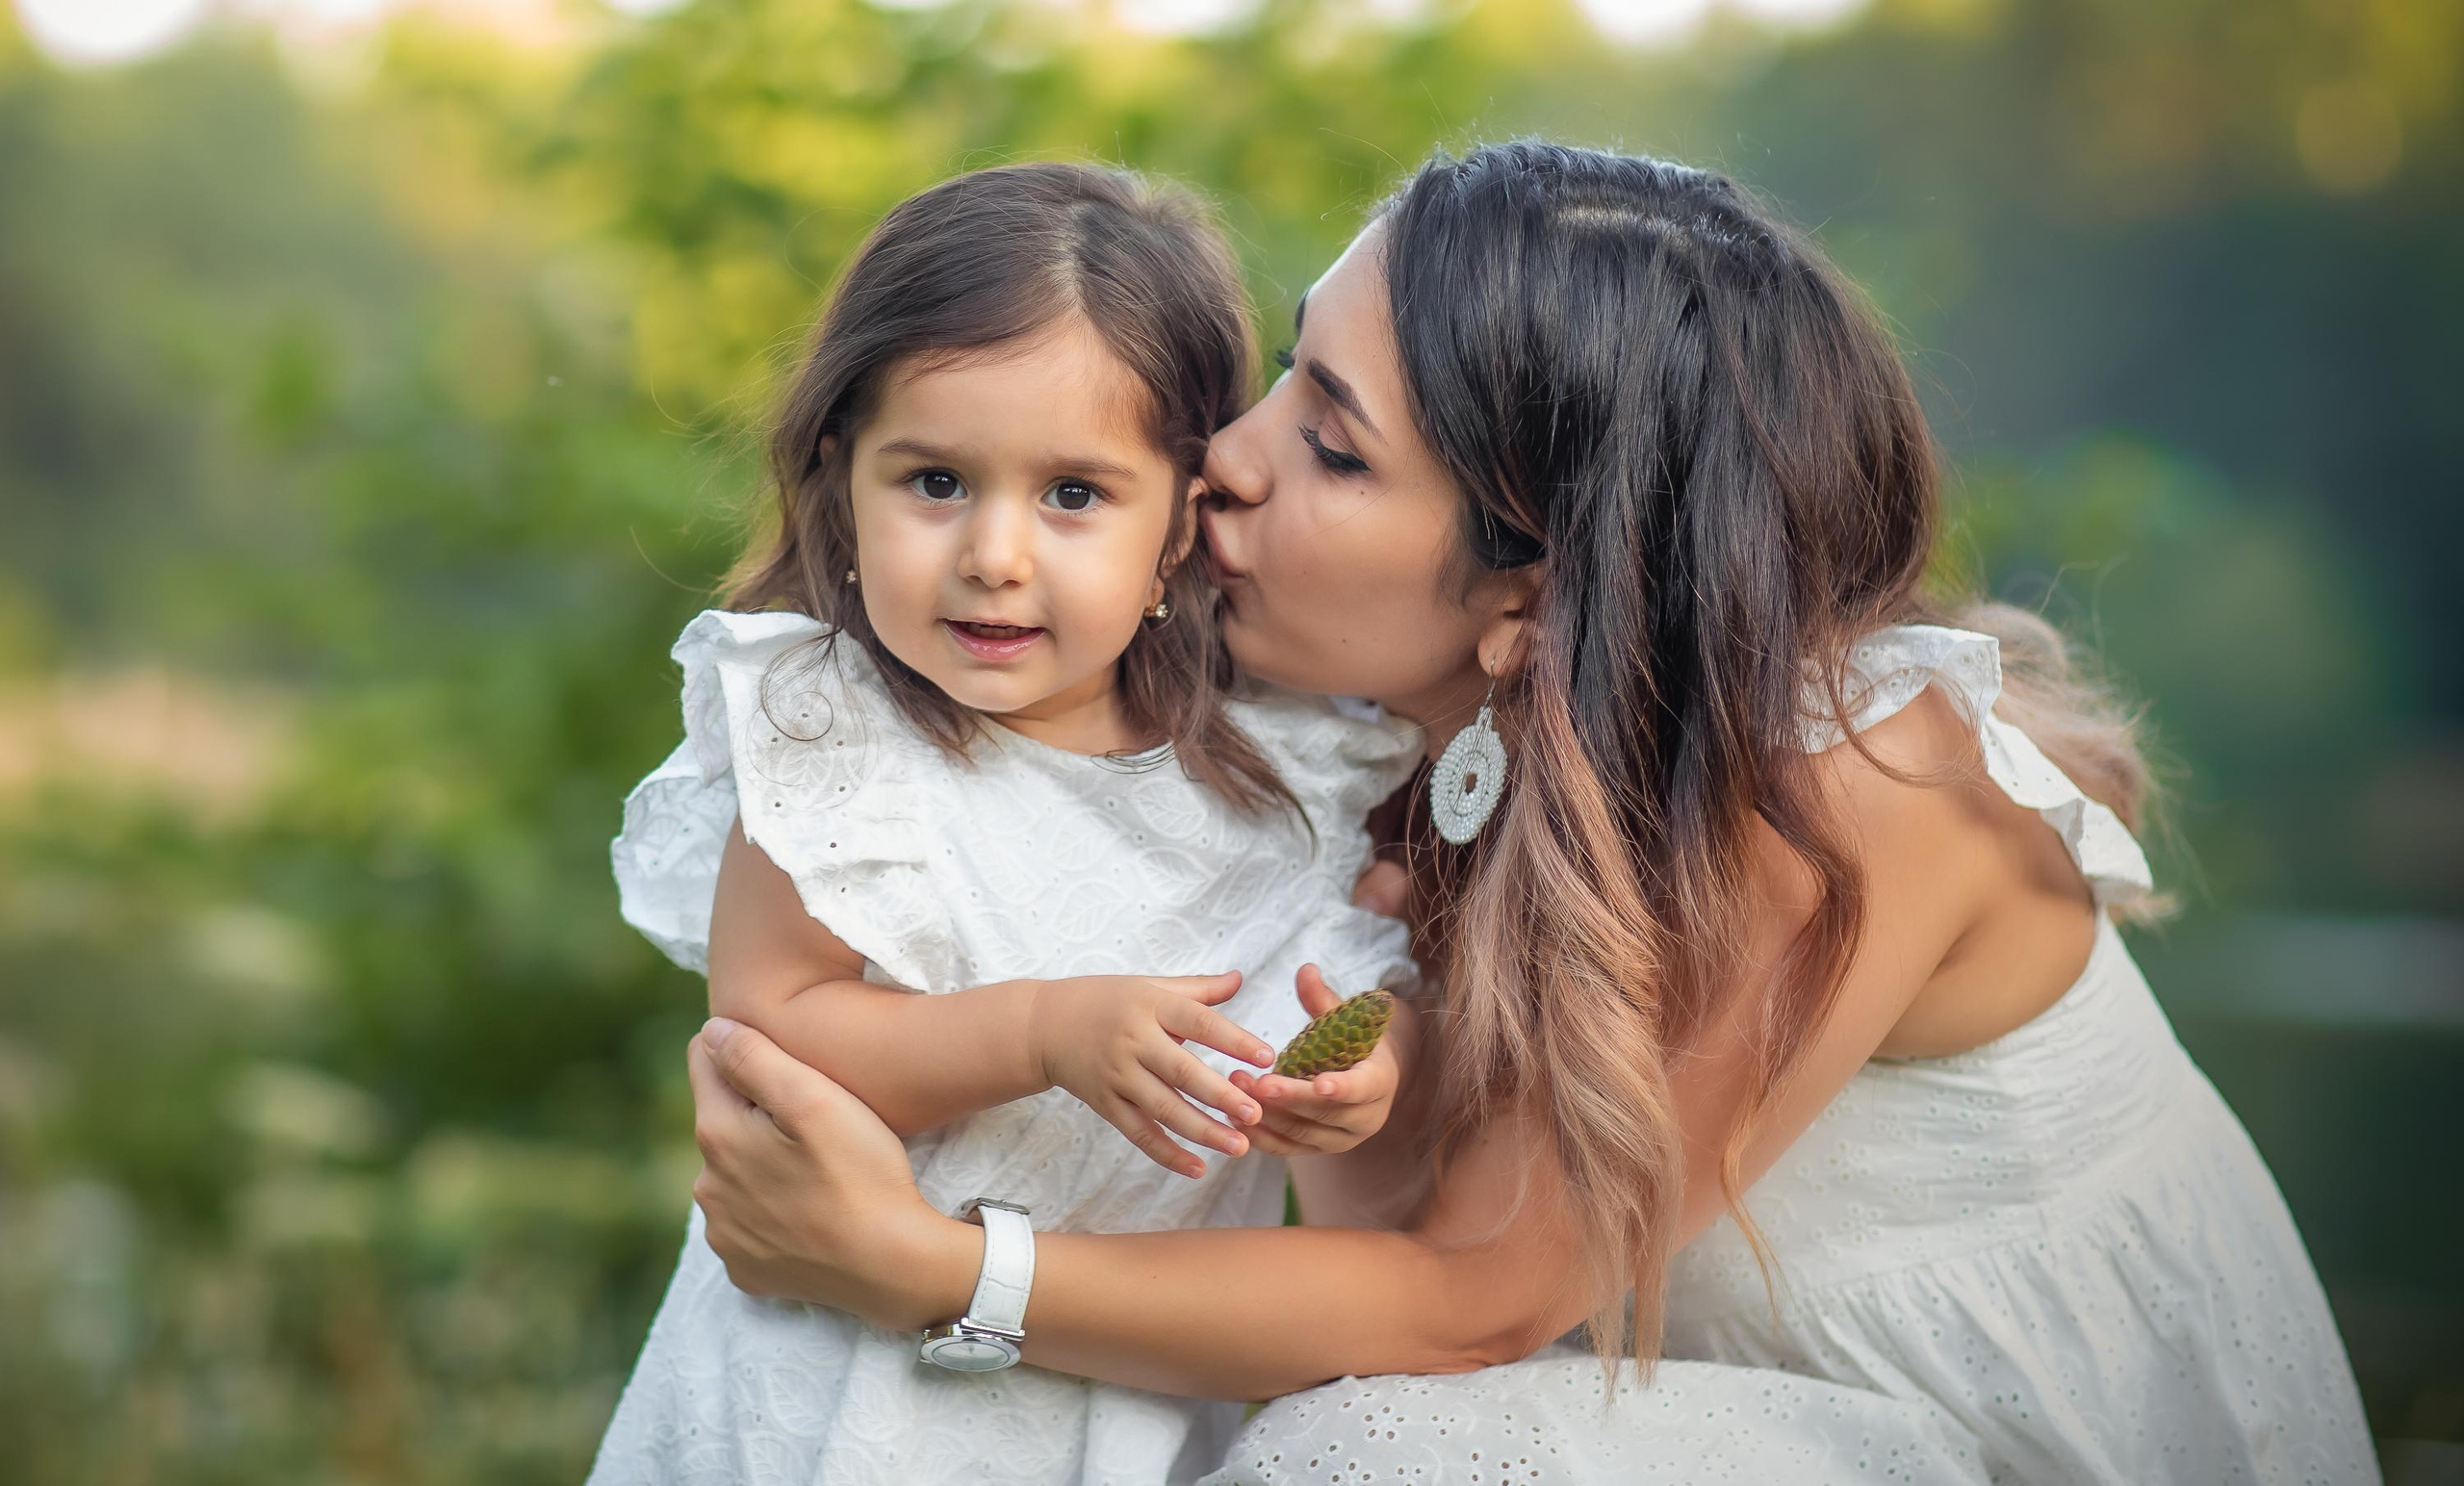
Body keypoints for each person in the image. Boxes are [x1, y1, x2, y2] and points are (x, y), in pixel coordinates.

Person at [677, 142, 2379, 1484]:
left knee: (1371, 1459)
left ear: (1534, 593)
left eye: (1334, 451)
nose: (1227, 464)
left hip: (2015, 1429)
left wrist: (931, 1266)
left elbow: (1460, 1302)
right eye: (1285, 374)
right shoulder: (1421, 728)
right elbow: (1396, 1226)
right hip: (1667, 1402)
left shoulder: (1834, 790)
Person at [587, 162, 1431, 1486]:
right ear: (839, 477)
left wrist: (1352, 1082)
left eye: (1073, 496)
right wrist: (1045, 1031)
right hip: (818, 1396)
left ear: (1181, 520)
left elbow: (1336, 995)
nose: (994, 553)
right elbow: (773, 1029)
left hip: (1104, 1400)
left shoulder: (1286, 768)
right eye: (934, 482)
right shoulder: (837, 735)